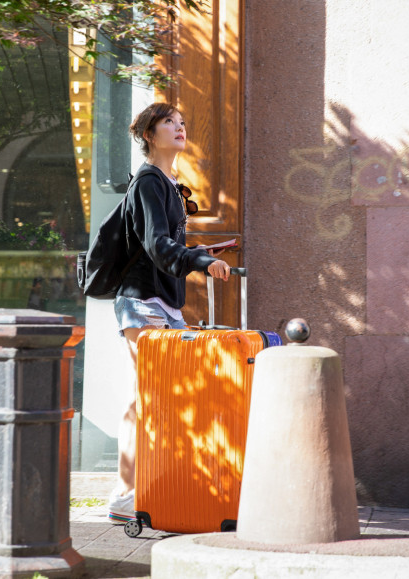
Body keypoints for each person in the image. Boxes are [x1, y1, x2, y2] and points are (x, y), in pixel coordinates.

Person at [107, 102, 231, 523]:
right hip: (141, 299)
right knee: (147, 395)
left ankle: (158, 486)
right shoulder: (147, 182)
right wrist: (198, 262)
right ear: (148, 134)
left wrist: (198, 253)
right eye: (168, 122)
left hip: (164, 301)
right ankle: (125, 495)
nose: (179, 127)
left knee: (166, 396)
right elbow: (158, 247)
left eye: (182, 121)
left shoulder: (171, 183)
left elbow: (166, 246)